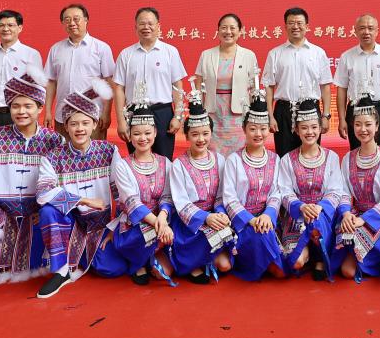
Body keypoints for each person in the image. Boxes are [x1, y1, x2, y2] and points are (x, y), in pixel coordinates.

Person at [0, 68, 65, 297]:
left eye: (28, 106)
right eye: (15, 106)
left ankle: (59, 272)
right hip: (1, 214)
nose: (21, 111)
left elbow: (64, 179)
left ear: (40, 108)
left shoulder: (55, 140)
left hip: (36, 214)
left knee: (53, 216)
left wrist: (48, 206)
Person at [34, 80, 125, 298]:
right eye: (74, 124)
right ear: (66, 127)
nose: (80, 129)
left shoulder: (109, 151)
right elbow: (43, 193)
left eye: (85, 123)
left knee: (112, 269)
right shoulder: (53, 157)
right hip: (70, 224)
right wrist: (84, 201)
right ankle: (61, 269)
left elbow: (122, 190)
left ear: (95, 124)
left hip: (102, 225)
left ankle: (84, 255)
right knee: (48, 210)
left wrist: (116, 227)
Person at [93, 85, 176, 286]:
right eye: (137, 133)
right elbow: (131, 203)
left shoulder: (166, 163)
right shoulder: (123, 165)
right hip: (134, 224)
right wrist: (159, 224)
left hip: (161, 221)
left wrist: (163, 218)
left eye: (147, 133)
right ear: (129, 135)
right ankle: (139, 259)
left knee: (164, 271)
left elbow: (167, 196)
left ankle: (149, 256)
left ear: (155, 133)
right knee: (106, 264)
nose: (143, 138)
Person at [169, 84, 235, 284]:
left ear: (211, 133)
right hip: (190, 223)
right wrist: (206, 218)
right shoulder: (178, 165)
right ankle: (193, 260)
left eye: (205, 133)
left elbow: (222, 196)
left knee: (226, 265)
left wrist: (220, 214)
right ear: (187, 135)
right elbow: (181, 203)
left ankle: (206, 258)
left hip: (214, 217)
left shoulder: (220, 160)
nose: (201, 139)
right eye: (195, 134)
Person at [221, 80, 286, 281]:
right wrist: (251, 220)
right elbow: (229, 198)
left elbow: (277, 192)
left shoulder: (275, 159)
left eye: (263, 128)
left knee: (279, 271)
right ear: (244, 128)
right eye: (253, 129)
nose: (258, 134)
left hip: (267, 220)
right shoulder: (233, 160)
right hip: (243, 222)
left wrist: (267, 215)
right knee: (273, 266)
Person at [276, 98, 347, 281]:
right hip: (297, 218)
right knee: (296, 262)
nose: (310, 132)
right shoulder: (287, 160)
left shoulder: (331, 157)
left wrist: (319, 208)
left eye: (314, 127)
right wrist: (301, 207)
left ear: (320, 128)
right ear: (296, 130)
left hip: (323, 216)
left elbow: (336, 190)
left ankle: (319, 255)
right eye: (304, 128)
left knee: (318, 226)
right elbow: (284, 191)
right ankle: (311, 252)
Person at [331, 92, 380, 282]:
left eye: (368, 124)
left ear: (377, 126)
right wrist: (346, 214)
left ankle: (379, 256)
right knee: (347, 270)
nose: (363, 129)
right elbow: (344, 193)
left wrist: (364, 220)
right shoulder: (348, 158)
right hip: (354, 215)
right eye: (358, 124)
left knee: (348, 270)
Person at [114, 7, 188, 159]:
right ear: (135, 27)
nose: (146, 27)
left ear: (158, 26)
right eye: (142, 24)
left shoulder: (170, 51)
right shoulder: (126, 54)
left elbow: (177, 86)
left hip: (163, 113)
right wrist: (121, 121)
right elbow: (119, 89)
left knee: (164, 160)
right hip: (134, 113)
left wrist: (178, 117)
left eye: (150, 23)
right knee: (137, 159)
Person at [263, 7, 333, 156]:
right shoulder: (275, 53)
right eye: (291, 23)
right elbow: (269, 87)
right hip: (283, 111)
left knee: (311, 155)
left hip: (311, 110)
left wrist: (326, 116)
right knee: (284, 156)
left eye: (299, 23)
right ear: (285, 26)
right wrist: (270, 116)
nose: (295, 26)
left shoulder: (318, 53)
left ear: (307, 26)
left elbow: (325, 86)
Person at [44, 3, 115, 140]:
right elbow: (51, 82)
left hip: (92, 116)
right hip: (63, 116)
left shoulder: (101, 48)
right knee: (63, 151)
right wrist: (47, 111)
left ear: (86, 20)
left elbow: (109, 82)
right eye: (67, 20)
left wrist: (106, 113)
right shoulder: (56, 49)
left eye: (76, 19)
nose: (72, 23)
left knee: (93, 153)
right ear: (63, 23)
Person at [194, 13, 260, 156]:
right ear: (218, 31)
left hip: (239, 116)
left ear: (240, 31)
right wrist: (198, 111)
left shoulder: (249, 55)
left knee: (239, 155)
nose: (228, 32)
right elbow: (198, 87)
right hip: (213, 114)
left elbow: (255, 89)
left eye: (232, 28)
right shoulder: (206, 55)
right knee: (213, 155)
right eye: (224, 28)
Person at [335, 14, 380, 150]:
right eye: (362, 28)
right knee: (357, 152)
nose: (366, 32)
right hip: (356, 110)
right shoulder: (347, 57)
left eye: (370, 28)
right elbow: (341, 90)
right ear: (355, 31)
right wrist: (342, 119)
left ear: (377, 31)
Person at [0, 9, 43, 134]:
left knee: (20, 147)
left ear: (20, 28)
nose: (5, 29)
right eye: (1, 25)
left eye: (10, 25)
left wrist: (33, 117)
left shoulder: (31, 54)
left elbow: (37, 88)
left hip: (20, 115)